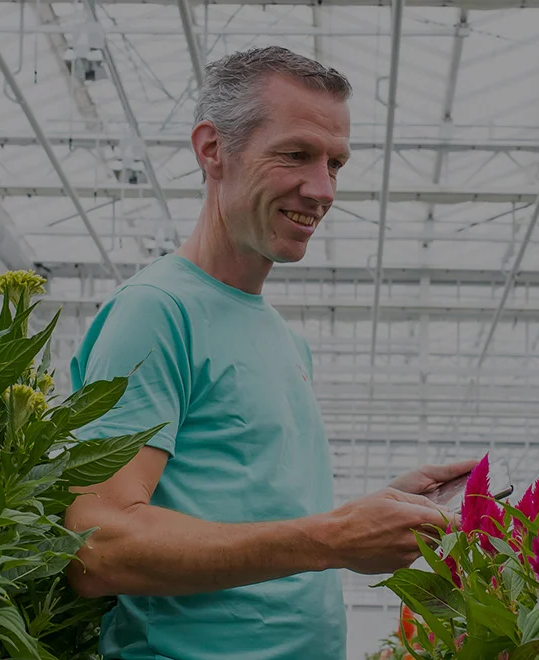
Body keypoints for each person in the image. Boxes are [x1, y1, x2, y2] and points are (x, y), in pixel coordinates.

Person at [61, 46, 475, 660]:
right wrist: (333, 537)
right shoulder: (156, 311)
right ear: (212, 149)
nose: (322, 189)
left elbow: (249, 520)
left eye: (336, 163)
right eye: (296, 155)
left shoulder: (283, 339)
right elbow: (98, 547)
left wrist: (367, 520)